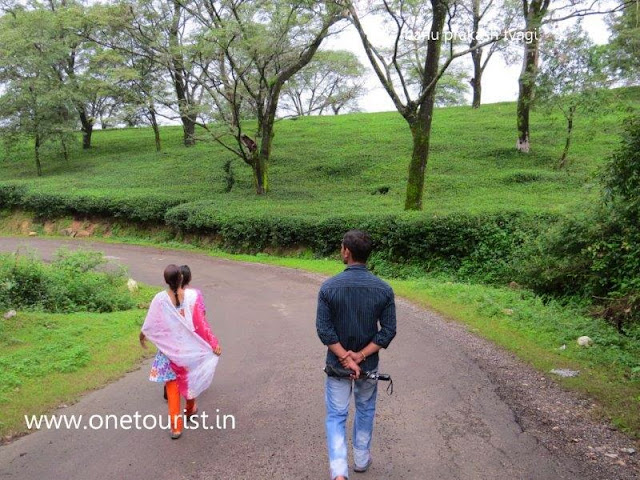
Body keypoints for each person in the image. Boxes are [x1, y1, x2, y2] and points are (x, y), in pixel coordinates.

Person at [316, 230, 396, 480]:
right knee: (365, 409)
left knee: (337, 416)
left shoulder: (329, 288)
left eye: (342, 248)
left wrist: (345, 358)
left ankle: (339, 472)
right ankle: (361, 459)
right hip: (369, 365)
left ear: (346, 252)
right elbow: (389, 330)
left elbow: (324, 329)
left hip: (337, 367)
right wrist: (360, 356)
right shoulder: (383, 289)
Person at [140, 264, 220, 439]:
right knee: (188, 379)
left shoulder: (160, 299)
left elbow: (151, 322)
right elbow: (201, 322)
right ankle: (190, 408)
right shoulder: (193, 296)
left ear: (166, 281)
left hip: (170, 350)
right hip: (188, 349)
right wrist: (212, 343)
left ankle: (176, 427)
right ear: (182, 278)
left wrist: (143, 336)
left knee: (172, 387)